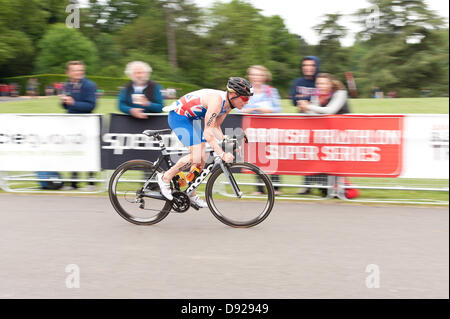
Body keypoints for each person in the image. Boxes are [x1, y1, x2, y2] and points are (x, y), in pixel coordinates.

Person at [157, 77, 253, 208]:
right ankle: (165, 177)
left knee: (203, 157)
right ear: (233, 94)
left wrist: (226, 140)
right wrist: (222, 154)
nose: (246, 102)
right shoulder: (217, 102)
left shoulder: (229, 105)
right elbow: (208, 133)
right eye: (245, 98)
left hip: (191, 119)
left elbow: (215, 127)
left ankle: (190, 193)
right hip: (179, 116)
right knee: (197, 155)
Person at [298, 73, 351, 197]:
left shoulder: (340, 93)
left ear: (331, 84)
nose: (321, 86)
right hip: (327, 133)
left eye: (324, 83)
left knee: (336, 162)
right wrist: (305, 109)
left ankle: (339, 188)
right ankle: (326, 188)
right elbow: (314, 115)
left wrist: (309, 106)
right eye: (318, 84)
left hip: (343, 132)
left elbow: (330, 111)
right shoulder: (317, 96)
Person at [241, 65, 282, 196]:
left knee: (272, 155)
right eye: (253, 75)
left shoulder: (271, 91)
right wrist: (250, 110)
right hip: (253, 129)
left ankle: (276, 187)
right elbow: (238, 107)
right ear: (249, 77)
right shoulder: (245, 91)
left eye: (259, 75)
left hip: (270, 128)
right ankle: (259, 189)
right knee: (256, 156)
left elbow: (277, 109)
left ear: (264, 77)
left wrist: (260, 109)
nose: (256, 78)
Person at [60, 60, 98, 191]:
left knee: (88, 151)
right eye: (75, 70)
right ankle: (73, 182)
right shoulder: (67, 85)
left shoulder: (89, 85)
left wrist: (72, 103)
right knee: (72, 151)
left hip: (86, 122)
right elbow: (65, 105)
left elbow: (91, 105)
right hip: (71, 123)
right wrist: (64, 102)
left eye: (80, 70)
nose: (78, 73)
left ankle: (91, 182)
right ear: (68, 72)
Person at [290, 56, 322, 195]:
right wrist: (303, 103)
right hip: (304, 122)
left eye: (311, 65)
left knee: (320, 153)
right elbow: (293, 99)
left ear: (316, 66)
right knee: (306, 153)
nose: (308, 68)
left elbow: (323, 96)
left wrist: (304, 102)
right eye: (305, 65)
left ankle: (323, 186)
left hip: (320, 122)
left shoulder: (320, 81)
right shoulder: (297, 82)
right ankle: (306, 185)